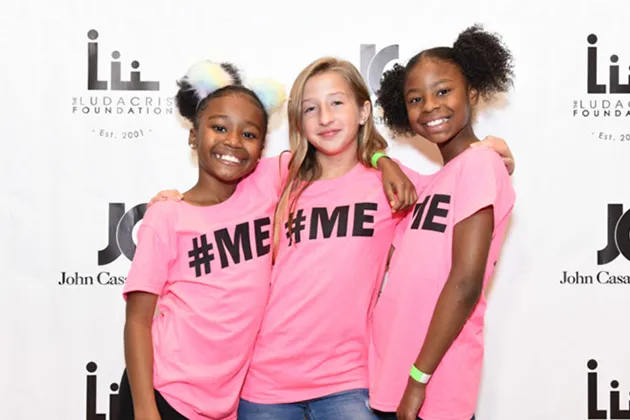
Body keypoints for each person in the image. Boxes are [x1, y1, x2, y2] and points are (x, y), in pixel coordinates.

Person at [150, 57, 515, 420]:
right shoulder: (277, 175)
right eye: (311, 108)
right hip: (266, 384)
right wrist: (174, 200)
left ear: (363, 111)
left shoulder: (393, 184)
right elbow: (217, 189)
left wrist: (488, 152)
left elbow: (453, 189)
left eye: (337, 103)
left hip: (349, 383)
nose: (325, 118)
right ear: (299, 121)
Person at [118, 60, 287, 420]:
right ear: (194, 135)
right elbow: (137, 320)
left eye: (249, 134)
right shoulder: (168, 214)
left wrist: (383, 160)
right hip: (162, 395)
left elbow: (333, 153)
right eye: (219, 127)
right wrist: (145, 408)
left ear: (262, 148)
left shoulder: (268, 187)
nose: (233, 141)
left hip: (223, 407)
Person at [368, 25, 517, 420]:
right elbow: (356, 147)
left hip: (434, 382)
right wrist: (382, 161)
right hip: (390, 376)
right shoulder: (429, 184)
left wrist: (419, 379)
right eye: (415, 99)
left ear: (472, 93)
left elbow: (465, 282)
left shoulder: (481, 163)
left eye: (443, 91)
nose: (430, 105)